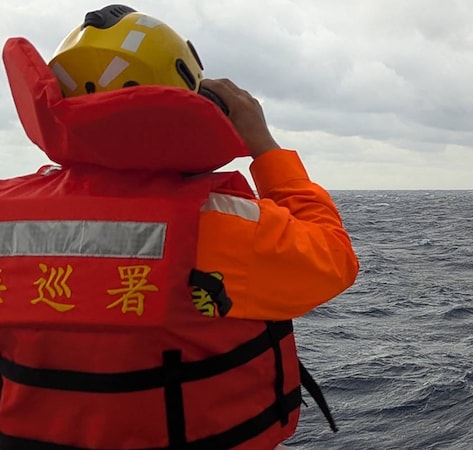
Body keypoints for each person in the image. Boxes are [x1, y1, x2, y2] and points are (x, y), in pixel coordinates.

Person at [0, 4, 358, 450]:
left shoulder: (6, 209)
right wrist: (265, 148)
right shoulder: (220, 222)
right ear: (193, 98)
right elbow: (332, 258)